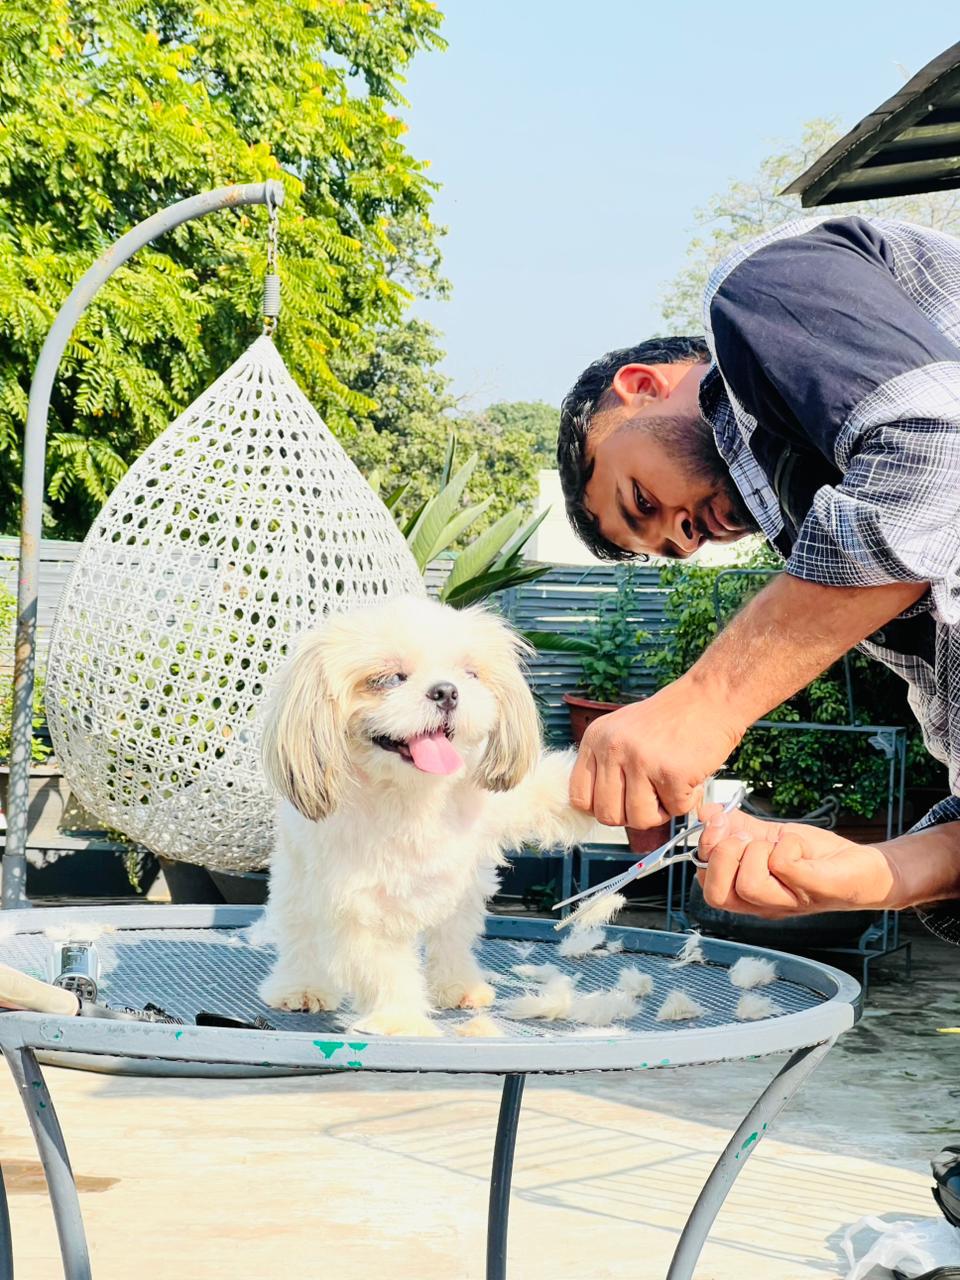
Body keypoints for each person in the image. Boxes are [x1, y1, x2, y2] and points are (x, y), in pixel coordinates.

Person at [556, 214, 960, 942]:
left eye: (643, 499)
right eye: (669, 547)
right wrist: (880, 874)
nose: (683, 533)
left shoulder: (758, 287)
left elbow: (939, 458)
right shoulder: (834, 546)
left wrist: (706, 701)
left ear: (643, 387)